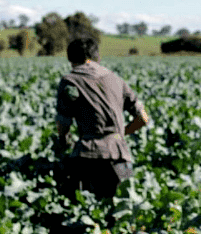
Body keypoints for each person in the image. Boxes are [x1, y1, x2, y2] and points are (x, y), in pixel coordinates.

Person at [54, 37, 150, 200]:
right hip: (120, 155)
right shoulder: (116, 79)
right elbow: (143, 118)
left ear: (70, 59)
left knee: (85, 210)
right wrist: (120, 135)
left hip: (88, 155)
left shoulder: (70, 80)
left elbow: (63, 122)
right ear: (97, 57)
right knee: (125, 209)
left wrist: (63, 141)